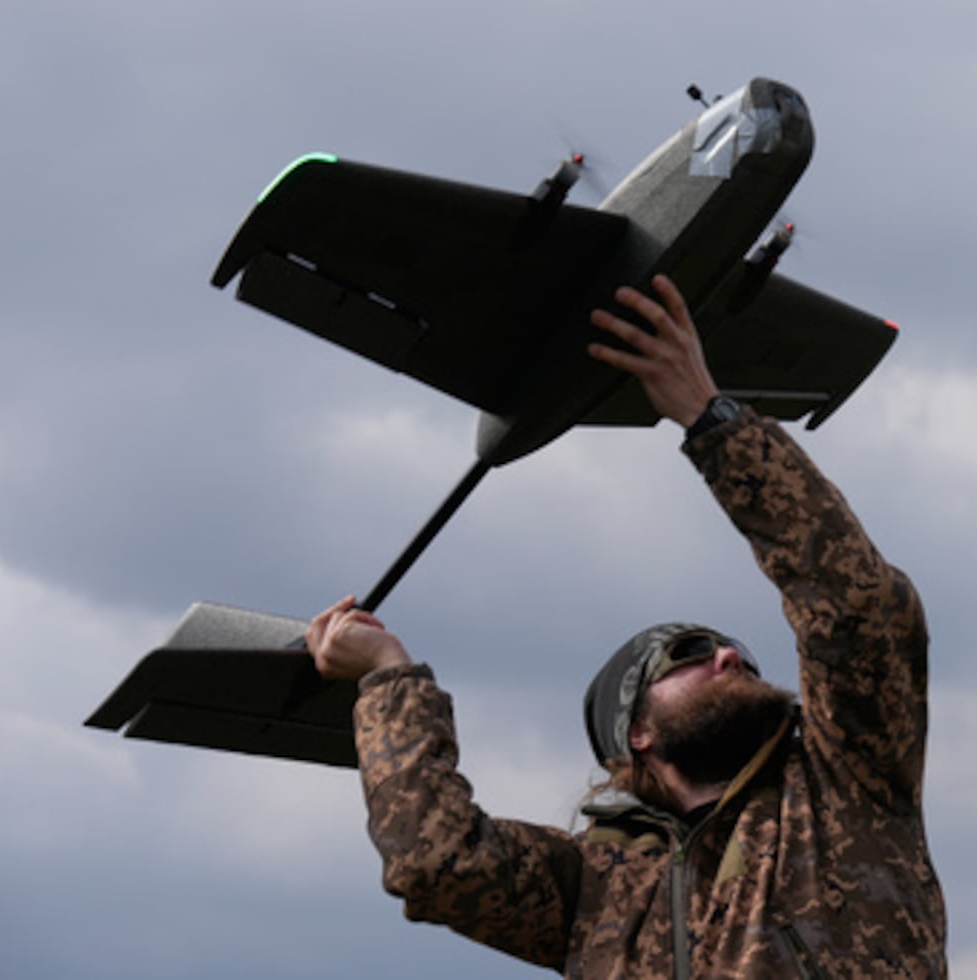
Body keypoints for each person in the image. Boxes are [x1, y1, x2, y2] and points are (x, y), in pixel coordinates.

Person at [305, 276, 946, 978]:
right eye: (690, 654)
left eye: (734, 653)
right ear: (637, 731)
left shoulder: (844, 782)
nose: (730, 657)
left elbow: (858, 606)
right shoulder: (591, 888)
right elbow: (437, 865)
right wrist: (389, 677)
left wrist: (710, 418)